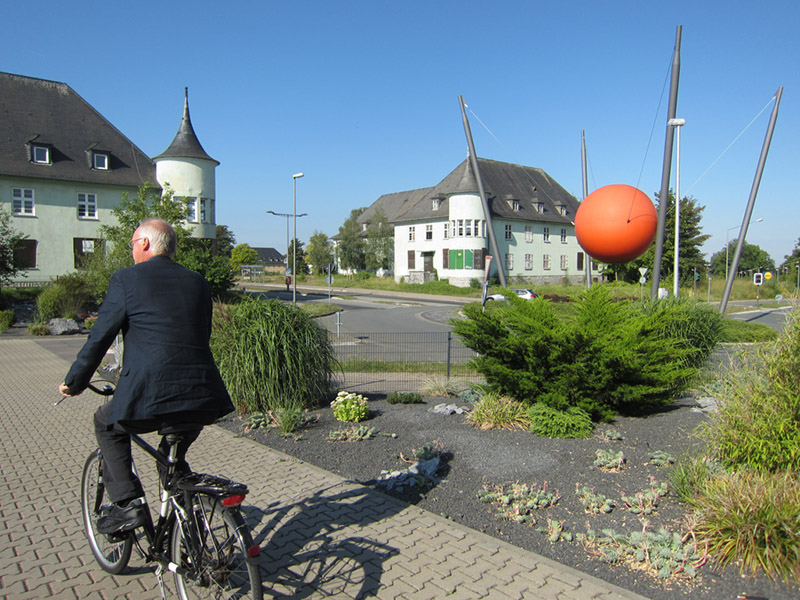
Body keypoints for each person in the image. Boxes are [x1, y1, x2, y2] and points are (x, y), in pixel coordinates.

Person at [59, 218, 234, 534]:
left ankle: (127, 505)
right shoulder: (198, 282)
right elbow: (201, 335)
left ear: (144, 243)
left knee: (106, 423)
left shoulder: (126, 279)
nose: (131, 250)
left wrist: (75, 382)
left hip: (150, 394)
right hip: (203, 394)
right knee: (171, 459)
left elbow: (100, 336)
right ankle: (185, 524)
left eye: (132, 243)